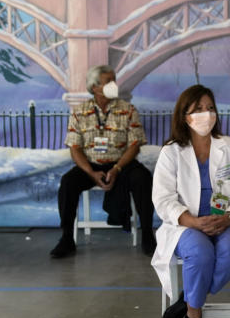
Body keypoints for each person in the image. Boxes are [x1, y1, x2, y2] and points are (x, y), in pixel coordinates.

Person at [152, 85, 230, 318]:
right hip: (187, 224)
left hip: (227, 222)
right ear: (184, 115)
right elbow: (162, 199)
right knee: (200, 254)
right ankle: (193, 317)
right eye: (198, 109)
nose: (206, 114)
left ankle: (187, 300)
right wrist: (191, 221)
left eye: (210, 108)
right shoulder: (171, 152)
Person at [52, 65, 155, 258]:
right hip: (91, 165)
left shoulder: (128, 110)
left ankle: (148, 235)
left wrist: (116, 168)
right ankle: (66, 238)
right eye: (108, 81)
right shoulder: (79, 112)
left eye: (114, 80)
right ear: (95, 87)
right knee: (68, 183)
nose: (113, 85)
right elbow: (75, 148)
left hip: (122, 163)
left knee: (143, 179)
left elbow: (135, 145)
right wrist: (91, 172)